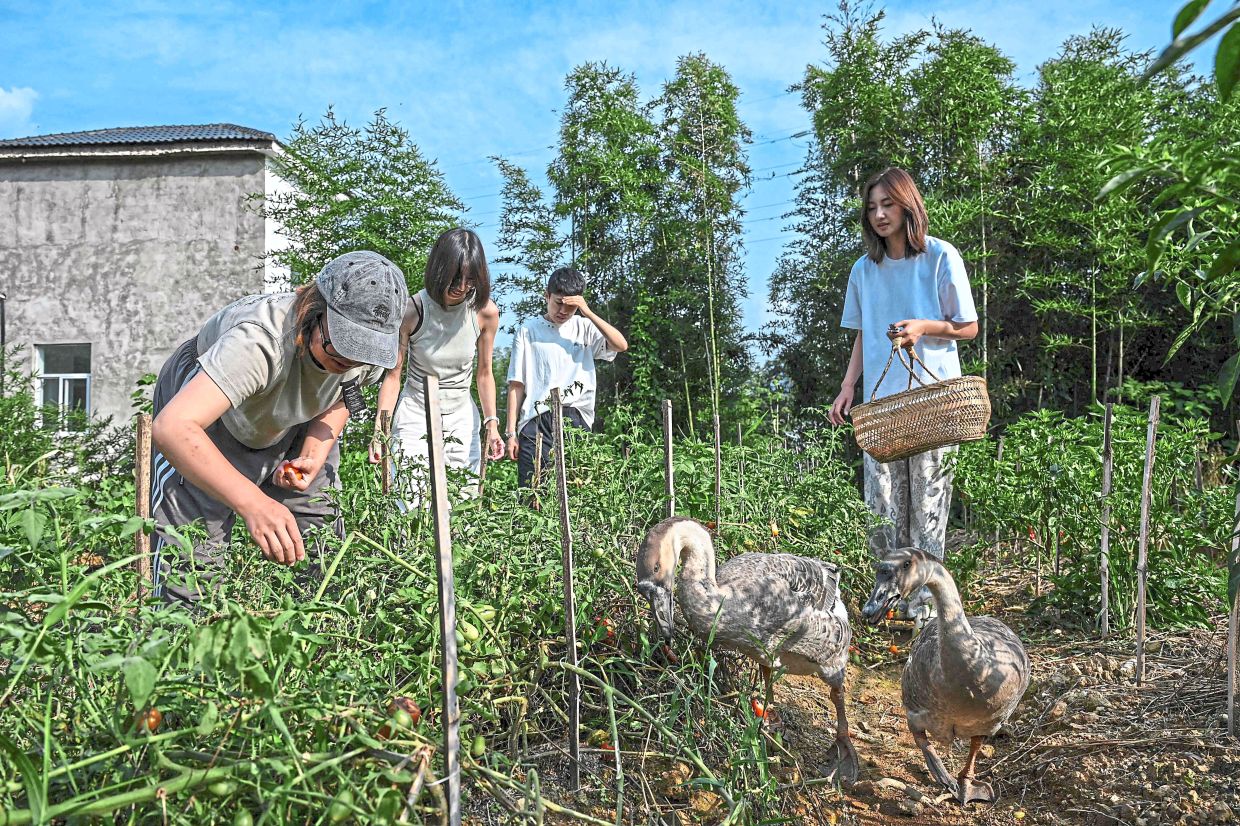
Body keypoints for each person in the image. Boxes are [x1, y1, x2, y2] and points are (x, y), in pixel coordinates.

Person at [149, 250, 408, 604]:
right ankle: (178, 648)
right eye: (340, 349)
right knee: (191, 563)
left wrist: (313, 455)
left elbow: (343, 395)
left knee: (325, 554)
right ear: (316, 312)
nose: (349, 363)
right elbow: (174, 428)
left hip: (294, 417)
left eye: (360, 355)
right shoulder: (258, 341)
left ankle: (315, 638)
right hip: (214, 416)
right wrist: (253, 503)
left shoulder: (369, 350)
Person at [828, 167, 978, 622]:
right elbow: (862, 336)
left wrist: (922, 327)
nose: (879, 215)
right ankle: (888, 601)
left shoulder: (939, 257)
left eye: (887, 205)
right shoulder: (864, 270)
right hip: (880, 408)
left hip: (933, 404)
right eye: (872, 208)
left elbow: (968, 327)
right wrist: (847, 386)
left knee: (928, 512)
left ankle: (927, 609)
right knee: (882, 510)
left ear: (907, 204)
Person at [371, 228, 504, 503]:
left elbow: (484, 374)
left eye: (471, 279)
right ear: (439, 270)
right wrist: (379, 429)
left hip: (460, 414)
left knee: (462, 501)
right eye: (455, 277)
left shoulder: (484, 312)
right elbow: (394, 376)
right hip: (416, 412)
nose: (462, 286)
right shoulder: (412, 311)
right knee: (411, 499)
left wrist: (492, 424)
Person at [505, 266, 628, 492]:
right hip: (536, 418)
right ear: (547, 295)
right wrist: (511, 433)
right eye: (558, 303)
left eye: (570, 306)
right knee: (532, 492)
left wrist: (587, 312)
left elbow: (621, 345)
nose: (563, 311)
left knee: (576, 492)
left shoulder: (584, 327)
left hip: (576, 418)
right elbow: (516, 384)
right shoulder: (528, 330)